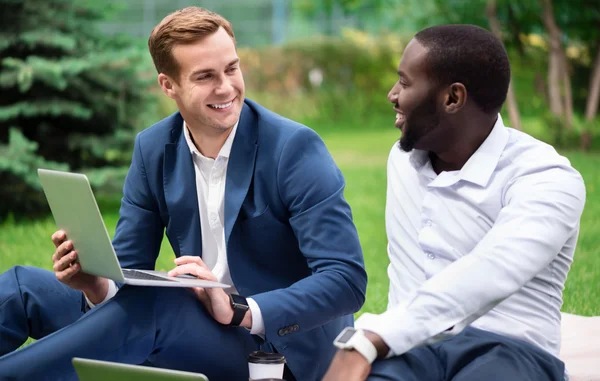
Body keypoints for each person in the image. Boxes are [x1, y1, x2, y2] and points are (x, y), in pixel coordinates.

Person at [0, 7, 367, 381]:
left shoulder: (294, 148)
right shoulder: (155, 148)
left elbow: (346, 280)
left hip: (273, 352)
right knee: (22, 286)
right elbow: (128, 267)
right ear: (168, 85)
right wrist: (94, 285)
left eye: (231, 68)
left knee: (159, 304)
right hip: (180, 326)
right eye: (206, 76)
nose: (226, 87)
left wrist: (237, 308)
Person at [322, 24, 586, 381]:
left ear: (452, 98)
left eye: (405, 82)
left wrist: (372, 338)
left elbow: (489, 271)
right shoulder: (403, 159)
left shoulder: (546, 178)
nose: (392, 94)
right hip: (411, 350)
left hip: (508, 352)